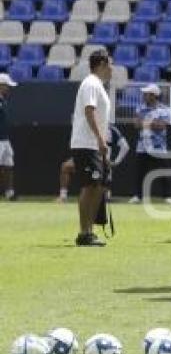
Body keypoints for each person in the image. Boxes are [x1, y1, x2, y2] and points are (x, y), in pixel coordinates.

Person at [69, 50, 113, 246]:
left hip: (94, 145)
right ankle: (84, 232)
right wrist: (100, 139)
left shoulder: (98, 85)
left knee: (98, 186)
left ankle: (89, 231)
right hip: (87, 143)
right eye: (109, 64)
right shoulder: (91, 84)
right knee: (90, 185)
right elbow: (89, 111)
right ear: (102, 63)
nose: (112, 69)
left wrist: (102, 142)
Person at [58, 124, 129, 202]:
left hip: (101, 163)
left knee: (101, 196)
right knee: (66, 166)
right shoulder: (87, 127)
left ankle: (105, 191)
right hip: (86, 157)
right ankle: (63, 196)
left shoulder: (111, 129)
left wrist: (115, 162)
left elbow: (125, 147)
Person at [130, 84, 170, 203]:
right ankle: (138, 196)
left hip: (159, 147)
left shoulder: (164, 109)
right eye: (144, 93)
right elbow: (136, 124)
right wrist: (152, 123)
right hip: (142, 147)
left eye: (147, 94)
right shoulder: (139, 107)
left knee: (163, 172)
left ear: (154, 95)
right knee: (140, 173)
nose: (144, 96)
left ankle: (166, 196)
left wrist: (145, 122)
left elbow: (162, 126)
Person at [0, 73, 18, 201]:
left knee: (8, 165)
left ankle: (9, 193)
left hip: (5, 139)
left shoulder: (3, 100)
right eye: (7, 86)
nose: (9, 89)